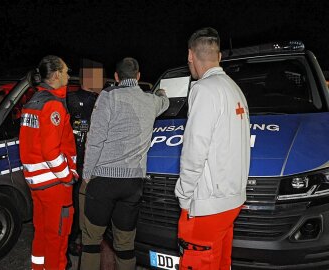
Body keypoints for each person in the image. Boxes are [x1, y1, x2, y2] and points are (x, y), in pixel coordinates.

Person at [80, 57, 169, 270]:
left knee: (91, 243)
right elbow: (164, 101)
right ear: (138, 77)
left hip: (103, 181)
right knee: (126, 245)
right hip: (132, 184)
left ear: (117, 77)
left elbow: (95, 139)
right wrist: (161, 93)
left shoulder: (108, 97)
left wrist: (86, 176)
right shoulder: (150, 101)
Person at [174, 27, 250, 270]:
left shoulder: (204, 89)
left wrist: (184, 196)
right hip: (231, 201)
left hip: (208, 204)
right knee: (220, 262)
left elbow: (195, 149)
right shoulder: (234, 89)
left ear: (190, 55)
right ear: (218, 56)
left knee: (197, 261)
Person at [19, 55, 78, 270]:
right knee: (58, 237)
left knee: (42, 232)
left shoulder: (33, 102)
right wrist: (67, 176)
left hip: (36, 183)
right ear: (55, 75)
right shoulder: (53, 105)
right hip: (54, 184)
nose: (68, 75)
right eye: (65, 71)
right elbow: (51, 152)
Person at [66, 59, 102, 256]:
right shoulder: (99, 100)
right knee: (86, 201)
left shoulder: (68, 98)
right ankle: (82, 238)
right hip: (89, 159)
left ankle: (73, 239)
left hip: (73, 158)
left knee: (73, 200)